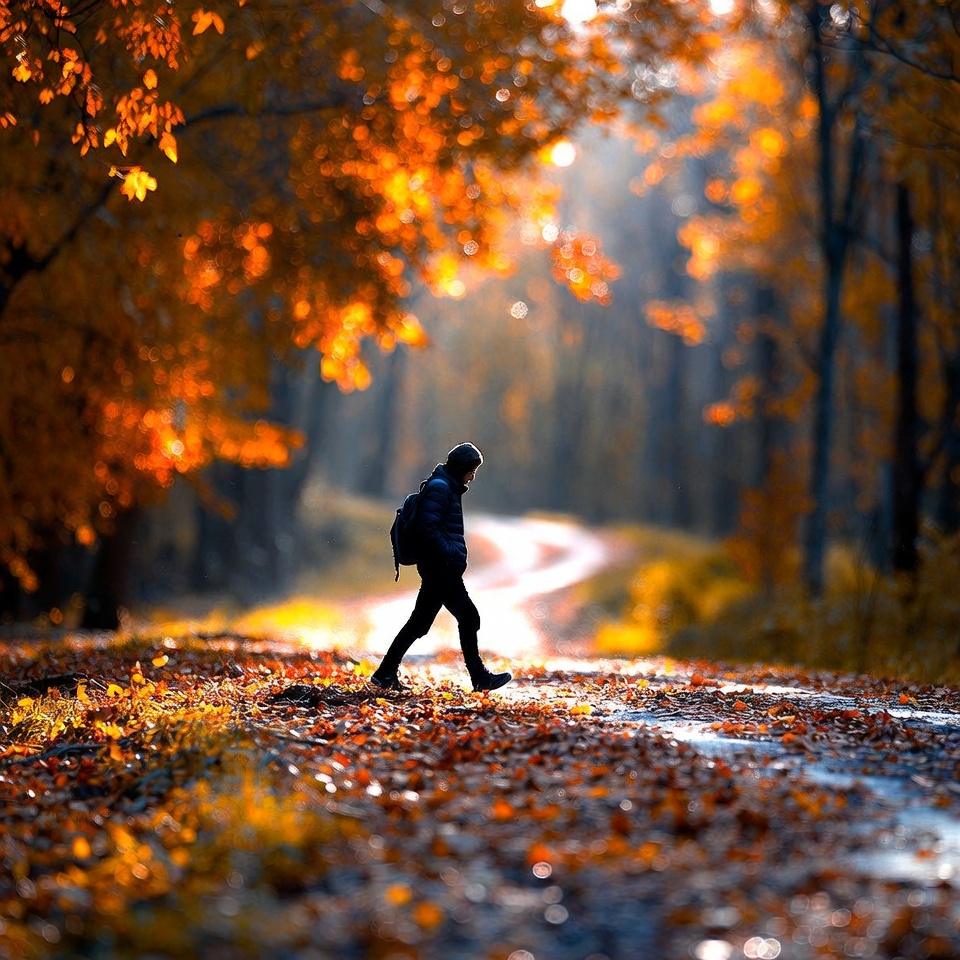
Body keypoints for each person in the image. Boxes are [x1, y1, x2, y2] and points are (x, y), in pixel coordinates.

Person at [370, 442, 512, 693]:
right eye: (472, 468)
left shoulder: (445, 485)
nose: (473, 474)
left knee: (419, 624)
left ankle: (385, 673)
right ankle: (479, 677)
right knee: (468, 616)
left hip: (438, 567)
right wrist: (452, 552)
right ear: (462, 467)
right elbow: (427, 527)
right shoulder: (440, 488)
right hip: (440, 568)